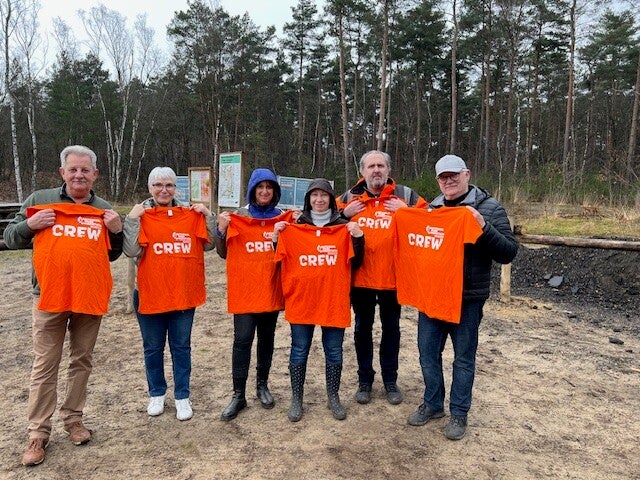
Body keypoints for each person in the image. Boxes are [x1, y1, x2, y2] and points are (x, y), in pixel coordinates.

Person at [3, 145, 124, 467]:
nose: (79, 175)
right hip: (49, 296)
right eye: (73, 169)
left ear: (95, 174)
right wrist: (30, 225)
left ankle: (73, 419)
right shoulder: (40, 200)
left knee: (82, 360)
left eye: (85, 170)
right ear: (63, 172)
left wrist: (117, 231)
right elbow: (11, 238)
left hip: (88, 296)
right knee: (45, 364)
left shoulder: (103, 208)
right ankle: (38, 433)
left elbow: (111, 255)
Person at [406, 154, 518, 440]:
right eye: (443, 177)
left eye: (454, 175)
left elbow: (508, 252)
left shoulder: (489, 208)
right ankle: (433, 404)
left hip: (467, 299)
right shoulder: (432, 209)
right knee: (428, 355)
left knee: (463, 359)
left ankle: (459, 413)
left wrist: (483, 226)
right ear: (438, 181)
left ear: (466, 174)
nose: (449, 181)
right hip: (432, 297)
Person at [123, 167, 215, 422]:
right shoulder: (142, 215)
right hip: (150, 293)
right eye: (158, 185)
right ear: (150, 188)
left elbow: (209, 244)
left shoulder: (189, 214)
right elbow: (131, 251)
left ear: (176, 188)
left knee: (181, 347)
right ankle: (157, 393)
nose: (164, 190)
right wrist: (132, 220)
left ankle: (182, 396)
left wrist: (207, 215)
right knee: (152, 348)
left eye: (169, 185)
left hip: (182, 294)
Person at [337, 150, 426, 405]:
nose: (376, 170)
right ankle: (364, 380)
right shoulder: (348, 198)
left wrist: (408, 211)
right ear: (362, 171)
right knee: (362, 330)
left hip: (393, 278)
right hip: (360, 279)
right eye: (371, 166)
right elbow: (323, 221)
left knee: (392, 331)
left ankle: (390, 380)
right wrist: (344, 215)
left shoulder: (406, 196)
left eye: (380, 166)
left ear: (388, 170)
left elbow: (432, 221)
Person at [273, 179, 364, 422]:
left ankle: (333, 396)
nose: (319, 199)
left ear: (331, 199)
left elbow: (356, 262)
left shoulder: (342, 227)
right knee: (299, 349)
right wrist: (276, 237)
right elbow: (279, 259)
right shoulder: (295, 226)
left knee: (334, 350)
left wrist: (358, 238)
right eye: (314, 195)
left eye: (324, 195)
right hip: (302, 299)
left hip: (333, 299)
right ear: (308, 199)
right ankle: (296, 398)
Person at [215, 168, 292, 421]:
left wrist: (287, 229)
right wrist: (221, 231)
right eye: (260, 187)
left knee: (266, 340)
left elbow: (290, 252)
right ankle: (238, 394)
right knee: (242, 341)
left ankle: (262, 386)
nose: (265, 191)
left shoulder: (282, 217)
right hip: (245, 291)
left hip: (270, 289)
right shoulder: (239, 216)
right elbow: (223, 253)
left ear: (275, 191)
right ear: (252, 190)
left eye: (269, 187)